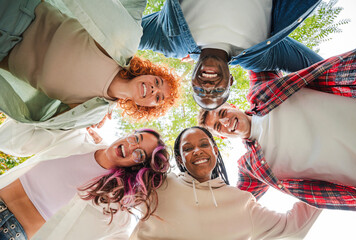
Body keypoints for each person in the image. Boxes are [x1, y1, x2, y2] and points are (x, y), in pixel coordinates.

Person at [198, 47, 356, 210]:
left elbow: (255, 50)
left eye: (223, 113)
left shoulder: (262, 93)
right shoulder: (252, 167)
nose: (226, 121)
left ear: (233, 106)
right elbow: (232, 205)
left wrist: (205, 54)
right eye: (218, 126)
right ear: (221, 136)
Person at [0, 0, 181, 132]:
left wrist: (83, 127)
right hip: (18, 12)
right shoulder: (118, 47)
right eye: (157, 82)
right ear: (150, 74)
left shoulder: (88, 110)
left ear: (146, 107)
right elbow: (131, 6)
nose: (153, 89)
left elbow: (43, 130)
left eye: (158, 98)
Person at [130, 126, 321, 240]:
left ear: (215, 150)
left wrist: (326, 177)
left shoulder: (241, 202)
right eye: (188, 148)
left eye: (204, 144)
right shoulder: (159, 184)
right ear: (180, 160)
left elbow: (293, 227)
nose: (197, 151)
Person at [139, 0, 324, 109]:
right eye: (218, 91)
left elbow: (118, 35)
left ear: (192, 81)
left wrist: (113, 89)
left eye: (199, 90)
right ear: (231, 81)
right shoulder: (259, 56)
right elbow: (322, 70)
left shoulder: (170, 41)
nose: (208, 86)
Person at [0, 128, 170, 239]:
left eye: (139, 154)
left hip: (13, 233)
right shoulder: (78, 138)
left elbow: (120, 235)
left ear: (137, 166)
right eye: (136, 138)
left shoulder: (115, 200)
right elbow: (13, 140)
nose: (131, 146)